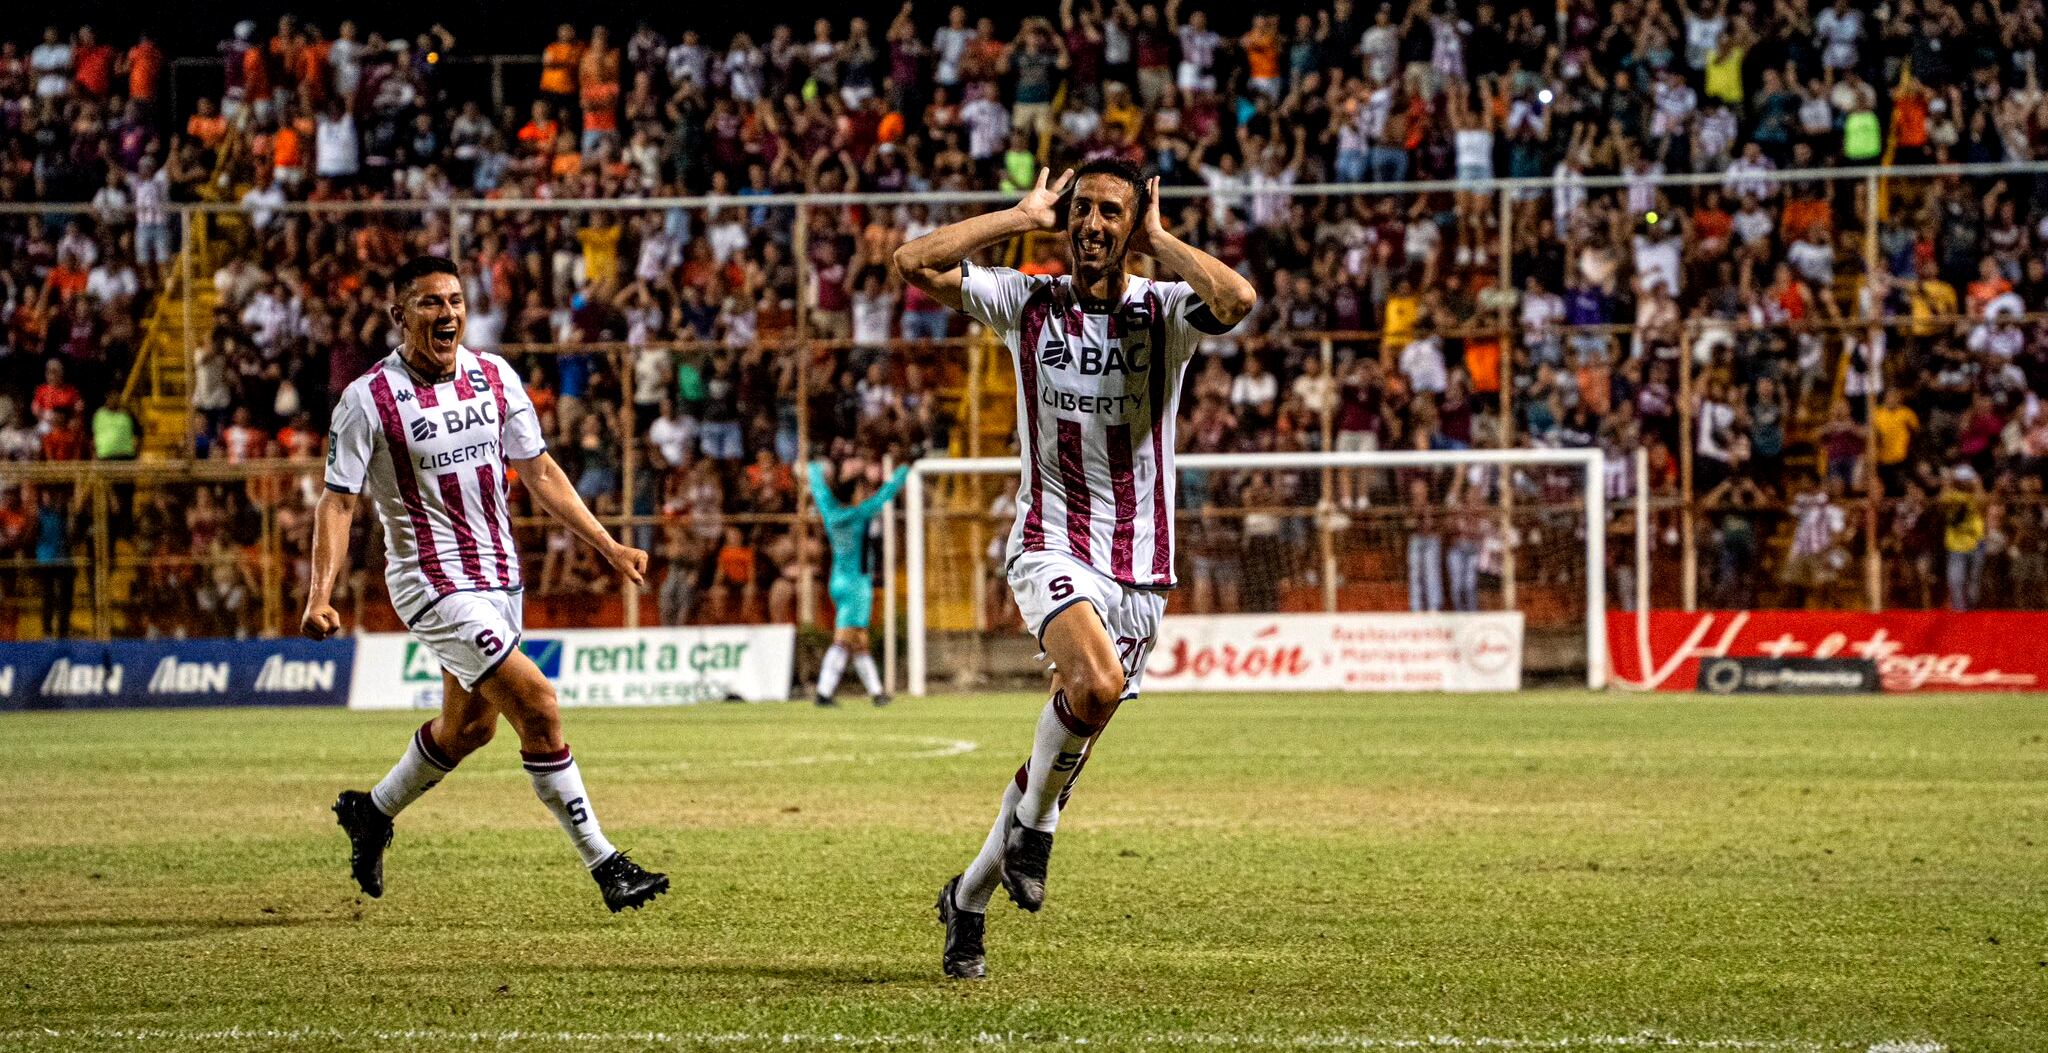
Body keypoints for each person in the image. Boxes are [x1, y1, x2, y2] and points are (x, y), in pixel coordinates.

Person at [895, 160, 1256, 979]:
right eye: (1081, 209)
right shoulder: (1027, 301)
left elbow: (1238, 301)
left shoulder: (1166, 311)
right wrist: (1016, 216)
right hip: (1051, 542)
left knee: (1055, 766)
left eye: (1111, 213)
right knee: (1089, 691)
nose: (1093, 224)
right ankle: (1040, 832)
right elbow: (912, 263)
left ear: (1130, 227)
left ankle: (972, 899)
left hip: (1141, 570)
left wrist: (1162, 240)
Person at [303, 256, 667, 914]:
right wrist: (318, 594)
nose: (447, 313)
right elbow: (337, 501)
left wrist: (609, 543)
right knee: (538, 703)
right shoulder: (366, 400)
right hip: (431, 582)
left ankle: (371, 810)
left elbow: (542, 470)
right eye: (429, 303)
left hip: (499, 579)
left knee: (469, 728)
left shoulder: (494, 376)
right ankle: (606, 861)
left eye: (455, 301)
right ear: (399, 316)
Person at [807, 458, 911, 707]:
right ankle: (823, 692)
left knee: (859, 641)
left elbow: (819, 488)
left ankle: (877, 693)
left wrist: (812, 463)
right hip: (857, 585)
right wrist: (905, 469)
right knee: (844, 640)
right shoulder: (860, 515)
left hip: (838, 580)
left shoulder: (830, 512)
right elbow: (886, 493)